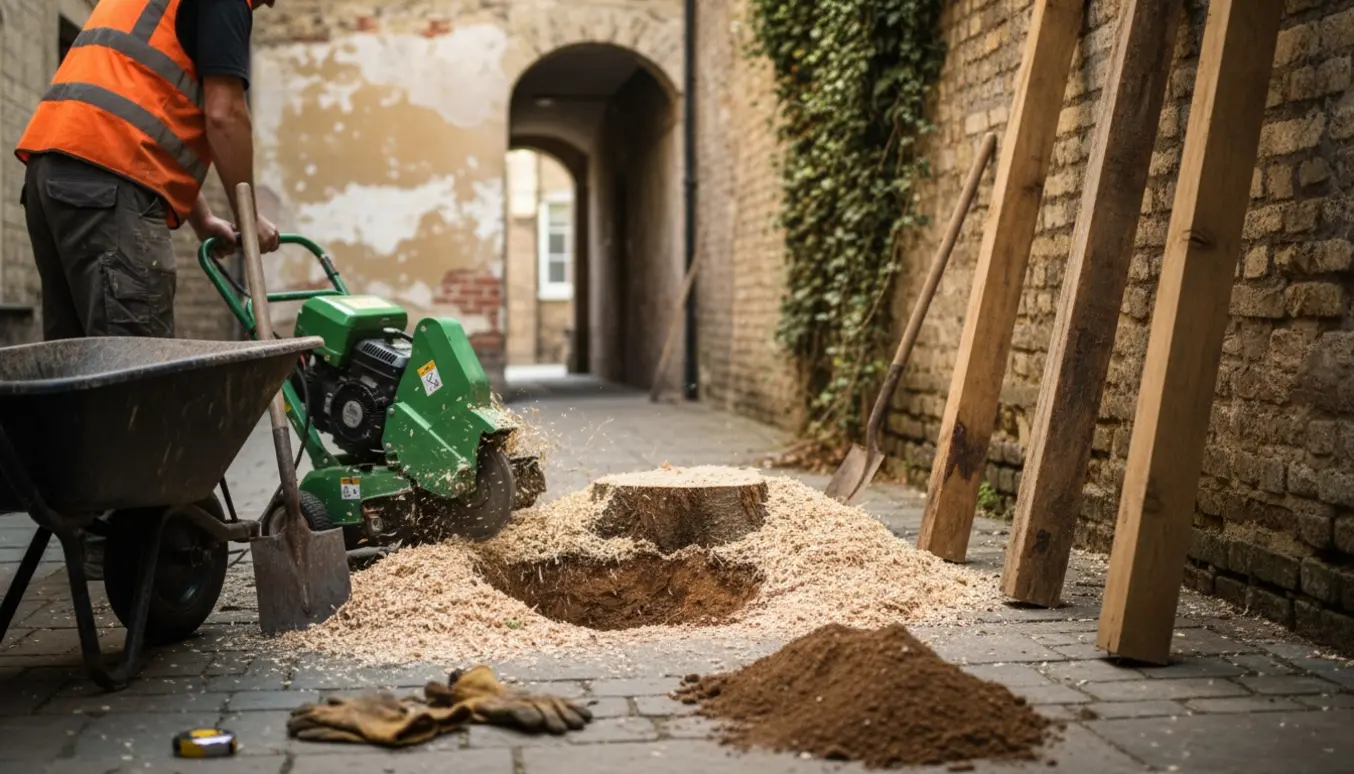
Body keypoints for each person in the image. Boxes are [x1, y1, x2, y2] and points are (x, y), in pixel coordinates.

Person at [14, 0, 282, 577]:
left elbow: (147, 113)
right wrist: (249, 207)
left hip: (55, 175)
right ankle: (135, 553)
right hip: (108, 183)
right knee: (133, 374)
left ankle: (89, 532)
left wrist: (203, 217)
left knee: (79, 369)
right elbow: (223, 114)